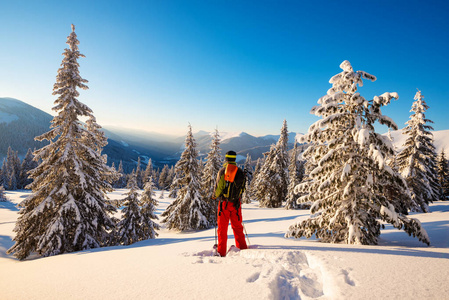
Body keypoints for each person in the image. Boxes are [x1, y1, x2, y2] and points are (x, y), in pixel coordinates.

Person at [213, 150, 248, 257]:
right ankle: (243, 249)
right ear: (235, 159)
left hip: (224, 204)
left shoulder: (223, 171)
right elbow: (242, 189)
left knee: (222, 229)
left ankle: (221, 252)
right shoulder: (240, 172)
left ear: (226, 159)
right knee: (237, 227)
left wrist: (215, 195)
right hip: (236, 204)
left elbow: (219, 188)